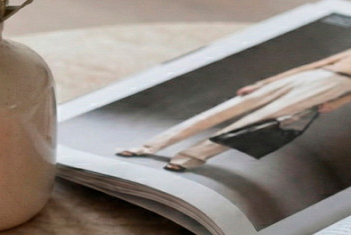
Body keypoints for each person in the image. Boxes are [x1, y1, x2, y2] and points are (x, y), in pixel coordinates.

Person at [116, 48, 351, 171]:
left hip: (335, 86)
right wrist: (263, 83)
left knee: (250, 124)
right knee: (220, 111)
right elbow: (316, 64)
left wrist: (336, 103)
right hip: (310, 76)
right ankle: (147, 147)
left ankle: (189, 159)